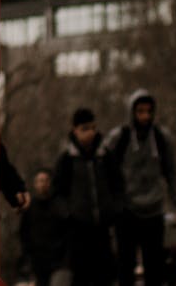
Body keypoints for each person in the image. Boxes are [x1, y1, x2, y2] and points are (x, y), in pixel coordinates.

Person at [100, 90, 176, 286]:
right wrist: (110, 204)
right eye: (140, 111)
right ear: (132, 112)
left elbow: (172, 172)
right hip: (126, 211)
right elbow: (103, 170)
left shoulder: (161, 138)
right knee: (125, 266)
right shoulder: (119, 138)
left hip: (153, 210)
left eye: (148, 111)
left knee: (154, 266)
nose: (145, 116)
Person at [51, 108, 118, 286]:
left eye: (92, 128)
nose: (90, 133)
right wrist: (69, 215)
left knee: (104, 276)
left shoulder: (105, 157)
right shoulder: (67, 160)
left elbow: (118, 185)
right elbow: (57, 193)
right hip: (78, 230)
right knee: (81, 276)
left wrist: (114, 211)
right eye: (85, 128)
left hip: (103, 228)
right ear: (75, 130)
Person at [18, 168, 71, 286]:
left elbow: (68, 233)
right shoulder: (30, 208)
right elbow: (24, 234)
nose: (43, 184)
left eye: (45, 180)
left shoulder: (60, 206)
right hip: (38, 262)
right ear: (35, 184)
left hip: (59, 261)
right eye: (40, 181)